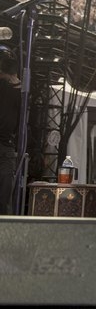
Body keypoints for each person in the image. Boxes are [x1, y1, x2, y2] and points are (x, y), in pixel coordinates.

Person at [0, 47, 21, 215]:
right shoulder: (15, 86)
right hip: (6, 147)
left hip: (5, 146)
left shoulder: (13, 87)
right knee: (4, 198)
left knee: (4, 197)